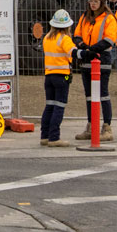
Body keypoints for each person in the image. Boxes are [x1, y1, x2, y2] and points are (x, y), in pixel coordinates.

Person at [73, 0, 117, 141]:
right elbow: (77, 35)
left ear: (102, 2)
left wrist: (92, 49)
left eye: (96, 1)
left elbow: (109, 39)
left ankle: (107, 127)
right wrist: (84, 47)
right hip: (87, 59)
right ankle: (91, 127)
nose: (93, 4)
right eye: (91, 1)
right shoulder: (84, 17)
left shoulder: (109, 18)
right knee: (89, 96)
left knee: (103, 94)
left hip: (102, 59)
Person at [39, 9, 76, 146]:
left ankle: (45, 136)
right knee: (59, 106)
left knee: (49, 106)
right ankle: (54, 138)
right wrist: (86, 54)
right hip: (62, 77)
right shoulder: (64, 38)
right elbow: (73, 53)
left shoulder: (47, 37)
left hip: (49, 76)